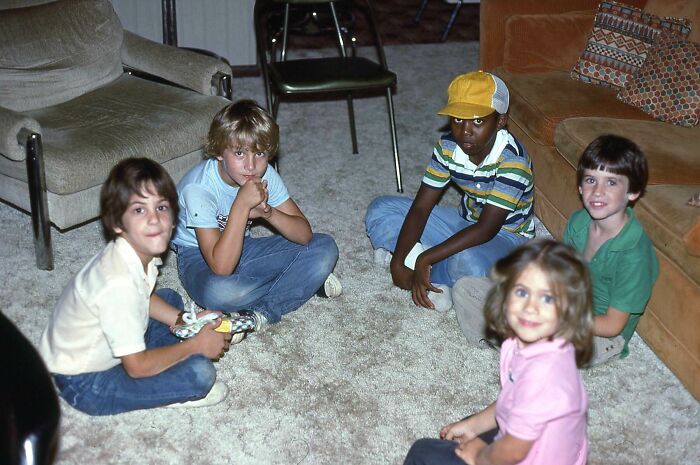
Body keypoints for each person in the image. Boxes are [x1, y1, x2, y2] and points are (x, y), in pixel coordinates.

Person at [39, 158, 233, 415]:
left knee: (171, 301)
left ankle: (167, 355)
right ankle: (166, 390)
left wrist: (189, 320)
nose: (154, 220)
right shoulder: (118, 283)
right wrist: (196, 345)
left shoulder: (134, 252)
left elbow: (145, 298)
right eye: (139, 210)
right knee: (200, 374)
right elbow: (137, 368)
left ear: (174, 218)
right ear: (117, 223)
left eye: (162, 207)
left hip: (106, 342)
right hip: (85, 382)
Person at [404, 239, 594, 465]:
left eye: (547, 298)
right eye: (522, 292)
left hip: (524, 455)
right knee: (466, 430)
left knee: (424, 453)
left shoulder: (544, 377)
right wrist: (474, 425)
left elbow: (512, 452)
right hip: (535, 443)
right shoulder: (523, 344)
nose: (530, 307)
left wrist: (480, 456)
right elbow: (512, 399)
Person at [365, 71, 534, 312]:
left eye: (477, 121)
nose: (465, 130)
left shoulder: (512, 161)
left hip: (507, 238)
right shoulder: (447, 147)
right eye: (457, 119)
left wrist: (427, 258)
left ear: (500, 121)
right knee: (381, 208)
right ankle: (430, 276)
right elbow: (422, 206)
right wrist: (399, 263)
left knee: (467, 261)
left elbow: (487, 228)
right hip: (465, 223)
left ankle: (428, 272)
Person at [170, 99, 341, 331]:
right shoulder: (198, 188)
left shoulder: (266, 175)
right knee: (221, 293)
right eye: (239, 153)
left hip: (243, 246)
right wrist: (241, 206)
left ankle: (260, 312)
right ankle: (302, 283)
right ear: (219, 151)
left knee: (325, 248)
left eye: (260, 153)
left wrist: (268, 213)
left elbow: (304, 235)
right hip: (197, 255)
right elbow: (221, 267)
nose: (251, 166)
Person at [563, 135, 659, 365]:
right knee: (471, 291)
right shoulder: (578, 221)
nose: (597, 191)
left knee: (550, 342)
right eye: (590, 180)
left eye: (611, 182)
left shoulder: (634, 254)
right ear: (579, 186)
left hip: (601, 334)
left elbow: (613, 325)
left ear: (633, 192)